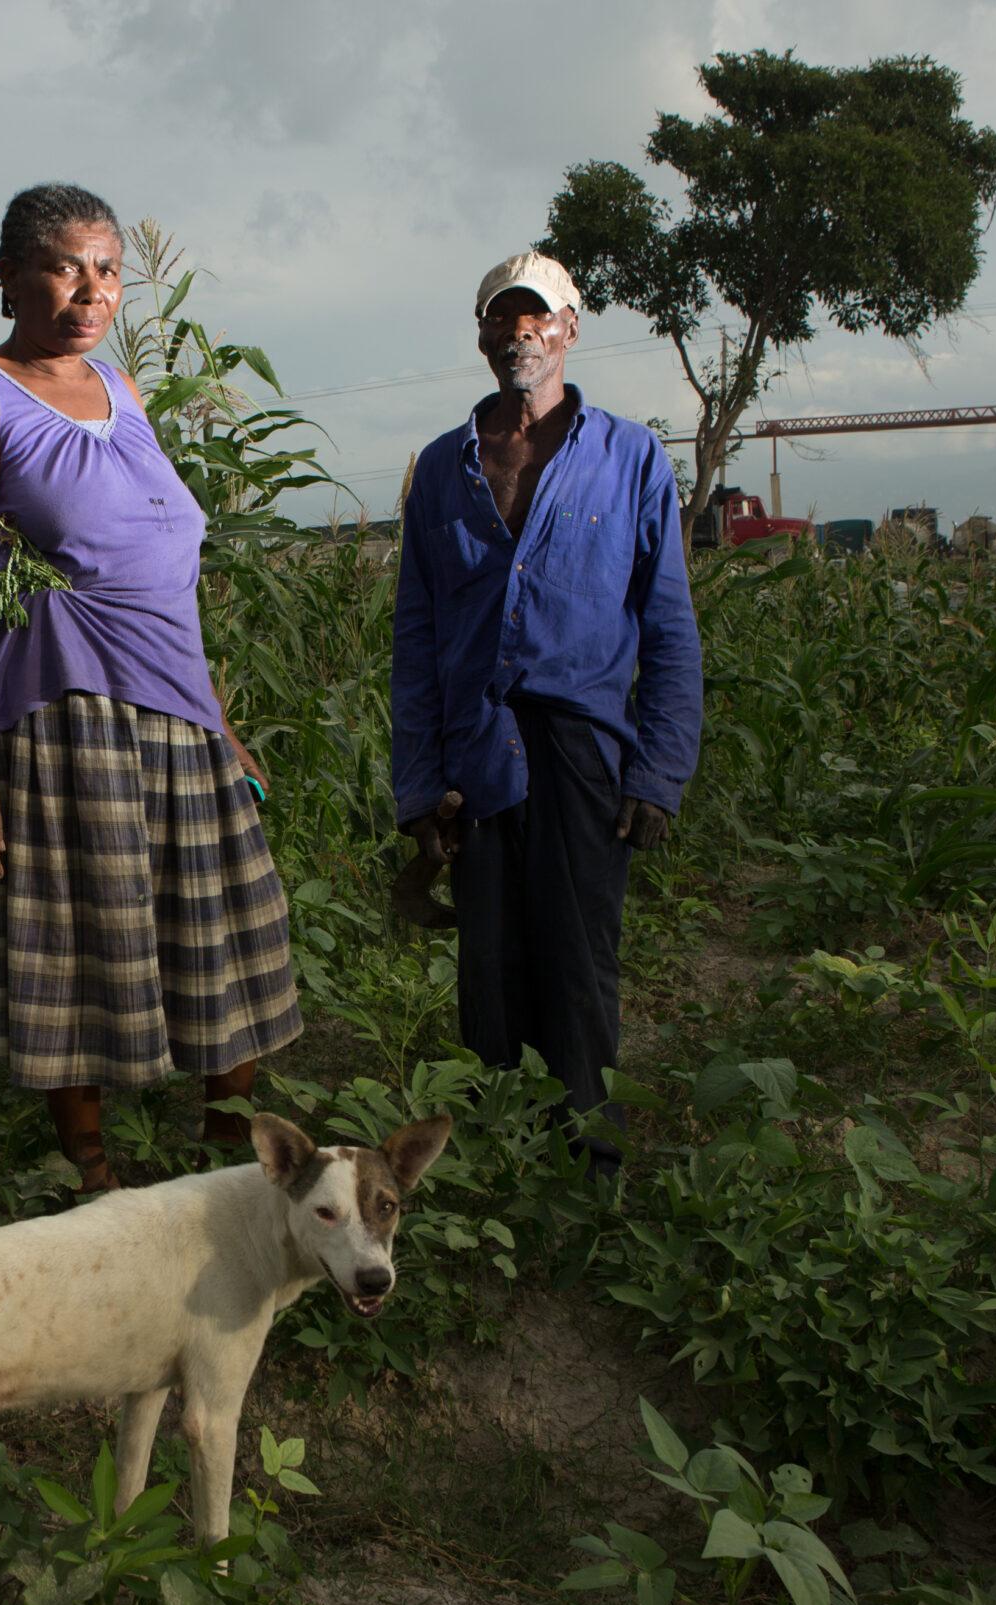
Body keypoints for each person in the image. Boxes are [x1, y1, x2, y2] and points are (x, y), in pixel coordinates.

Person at [0, 183, 302, 1193]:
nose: (92, 290)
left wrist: (223, 725)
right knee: (76, 940)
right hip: (63, 715)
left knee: (218, 931)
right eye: (65, 265)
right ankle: (91, 1171)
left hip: (177, 712)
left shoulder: (122, 392)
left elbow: (165, 577)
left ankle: (233, 1166)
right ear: (8, 276)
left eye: (109, 269)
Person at [390, 252, 703, 1174]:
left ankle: (590, 1163)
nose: (520, 331)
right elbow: (417, 633)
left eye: (538, 316)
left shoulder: (630, 456)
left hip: (581, 749)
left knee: (576, 959)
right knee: (489, 963)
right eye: (502, 317)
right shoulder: (445, 471)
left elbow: (670, 628)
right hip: (476, 748)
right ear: (483, 334)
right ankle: (501, 1158)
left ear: (571, 328)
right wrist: (418, 783)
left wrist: (658, 771)